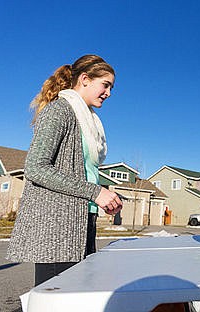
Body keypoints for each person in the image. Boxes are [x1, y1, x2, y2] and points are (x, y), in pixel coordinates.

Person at [7, 55, 123, 286]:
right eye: (106, 85)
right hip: (57, 228)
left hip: (82, 220)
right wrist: (95, 193)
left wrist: (101, 198)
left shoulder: (88, 121)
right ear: (85, 79)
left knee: (79, 296)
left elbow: (83, 174)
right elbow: (36, 168)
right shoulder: (59, 110)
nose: (109, 93)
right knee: (56, 300)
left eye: (111, 87)